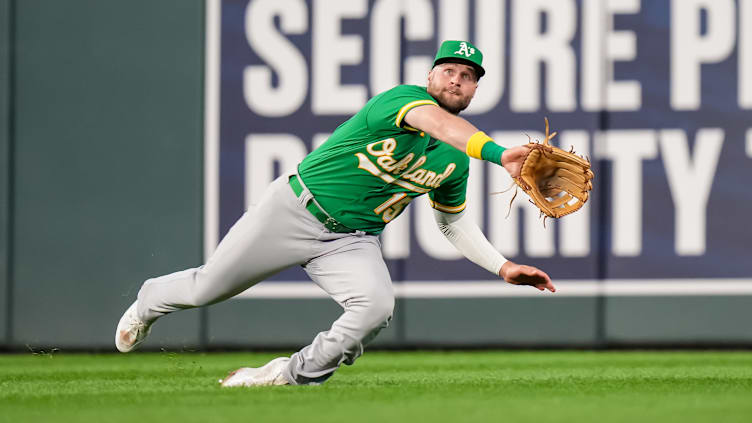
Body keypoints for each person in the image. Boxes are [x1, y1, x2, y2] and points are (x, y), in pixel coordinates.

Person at [115, 40, 555, 387]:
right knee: (207, 288)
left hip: (352, 241)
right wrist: (498, 153)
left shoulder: (456, 161)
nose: (457, 80)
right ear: (430, 76)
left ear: (476, 88)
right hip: (294, 210)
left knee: (375, 308)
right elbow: (439, 124)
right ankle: (149, 301)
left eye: (468, 76)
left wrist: (502, 266)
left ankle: (288, 375)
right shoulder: (402, 100)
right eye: (449, 71)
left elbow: (450, 221)